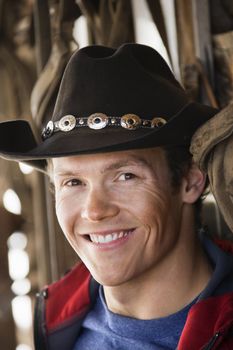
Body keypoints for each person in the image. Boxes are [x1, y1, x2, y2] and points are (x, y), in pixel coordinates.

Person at [0, 43, 233, 350]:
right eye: (73, 182)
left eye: (126, 176)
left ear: (190, 180)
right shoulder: (56, 324)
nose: (94, 211)